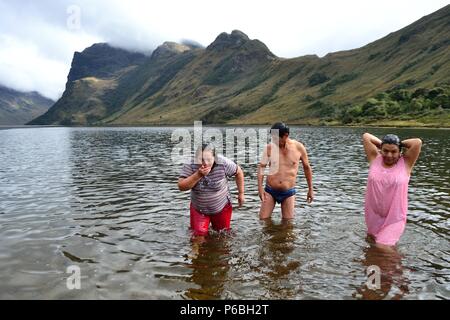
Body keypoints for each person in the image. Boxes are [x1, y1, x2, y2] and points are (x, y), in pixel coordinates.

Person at [362, 133, 422, 247]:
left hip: (395, 217)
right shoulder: (374, 159)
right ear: (380, 150)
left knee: (382, 246)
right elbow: (366, 136)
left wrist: (397, 143)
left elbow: (417, 142)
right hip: (373, 215)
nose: (389, 155)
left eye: (394, 151)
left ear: (400, 152)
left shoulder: (406, 163)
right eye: (385, 151)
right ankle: (379, 264)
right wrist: (385, 143)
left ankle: (403, 265)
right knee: (372, 242)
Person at [178, 143, 245, 236]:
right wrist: (198, 175)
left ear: (215, 158)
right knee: (198, 237)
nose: (205, 163)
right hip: (199, 209)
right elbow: (181, 186)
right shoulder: (191, 165)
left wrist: (241, 193)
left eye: (209, 160)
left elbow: (239, 172)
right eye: (201, 160)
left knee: (223, 236)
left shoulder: (223, 163)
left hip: (222, 207)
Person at [257, 123, 313, 220]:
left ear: (285, 136)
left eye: (276, 138)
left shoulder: (299, 148)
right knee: (263, 220)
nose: (273, 141)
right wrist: (260, 188)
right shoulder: (269, 148)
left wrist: (310, 189)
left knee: (288, 224)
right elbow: (261, 167)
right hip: (270, 190)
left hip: (288, 192)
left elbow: (307, 168)